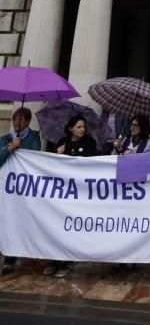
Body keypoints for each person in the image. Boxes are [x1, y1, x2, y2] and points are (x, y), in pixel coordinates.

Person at [44, 115, 97, 278]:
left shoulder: (90, 142)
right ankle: (53, 261)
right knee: (57, 226)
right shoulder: (61, 142)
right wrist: (57, 154)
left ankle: (67, 262)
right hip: (62, 192)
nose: (83, 129)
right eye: (79, 127)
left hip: (79, 193)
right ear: (70, 128)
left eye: (84, 127)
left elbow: (93, 164)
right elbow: (50, 164)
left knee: (71, 227)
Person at [0, 108, 41, 276]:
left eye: (20, 120)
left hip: (23, 189)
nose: (16, 123)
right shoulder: (5, 139)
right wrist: (10, 147)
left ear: (27, 122)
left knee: (17, 221)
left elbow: (36, 158)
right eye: (14, 119)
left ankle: (11, 258)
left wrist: (22, 149)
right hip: (6, 188)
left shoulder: (33, 138)